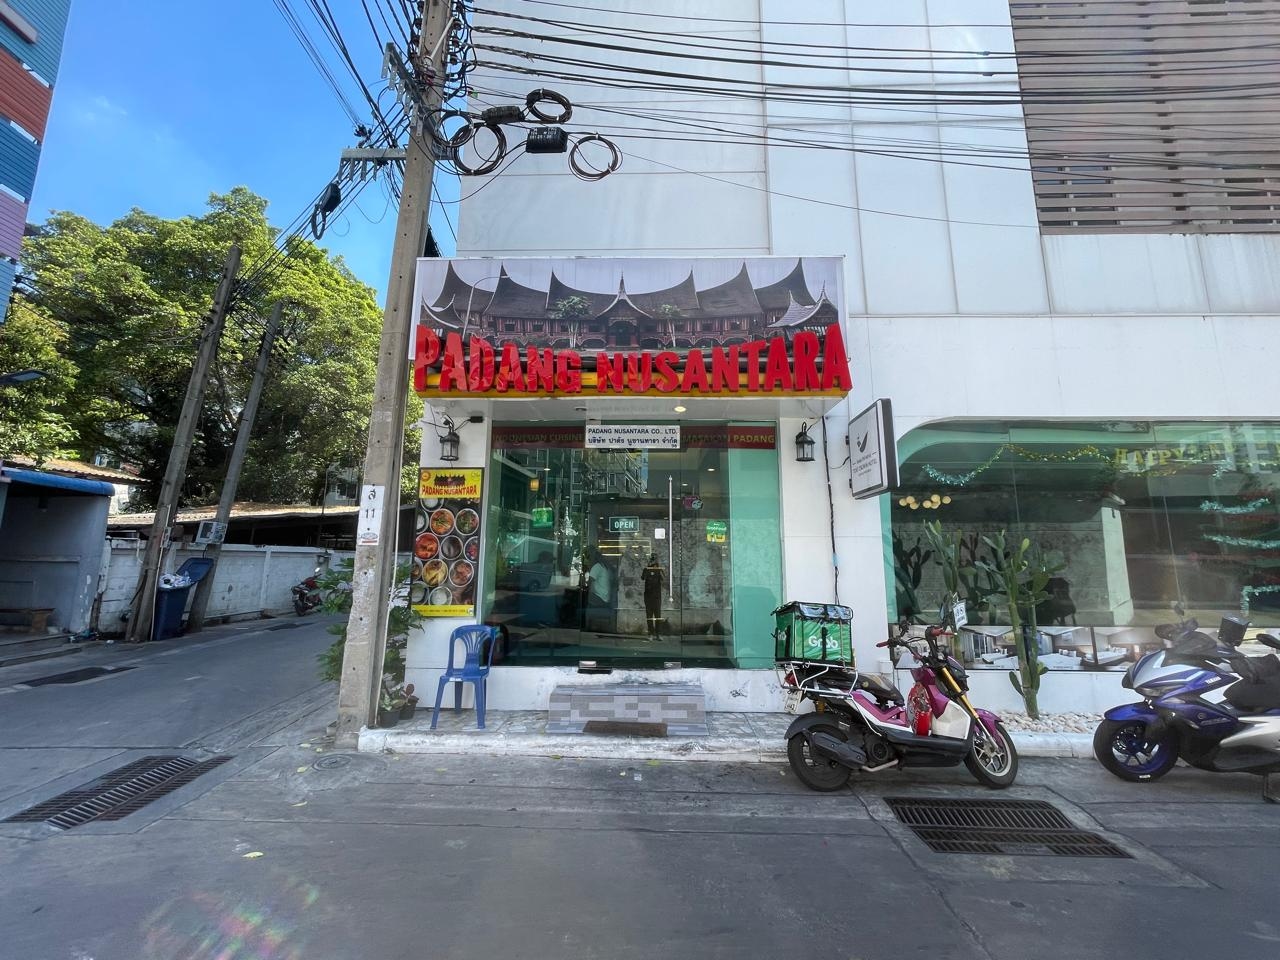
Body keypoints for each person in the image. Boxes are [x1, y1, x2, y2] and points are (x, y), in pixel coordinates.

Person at [641, 554, 665, 638]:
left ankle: (658, 634)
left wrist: (658, 568)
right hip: (648, 596)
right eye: (652, 559)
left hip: (657, 597)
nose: (653, 560)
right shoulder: (646, 569)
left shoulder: (659, 569)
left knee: (658, 615)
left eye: (654, 559)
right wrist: (648, 567)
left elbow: (663, 578)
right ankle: (651, 633)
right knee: (649, 616)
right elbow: (643, 577)